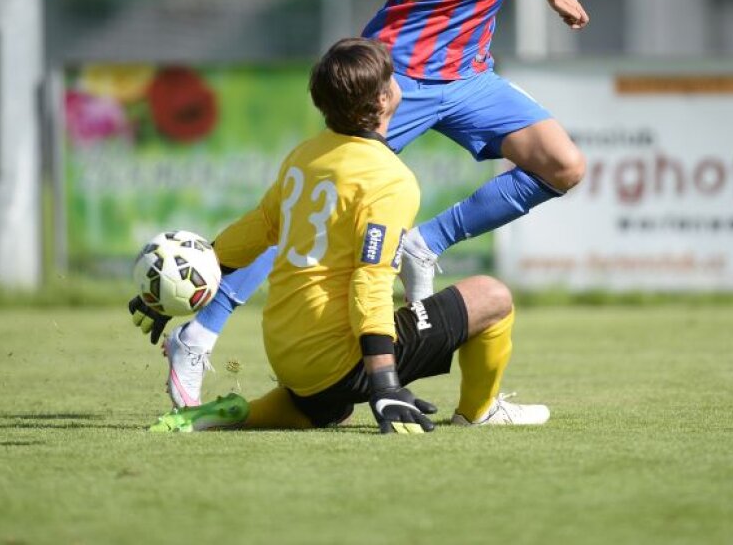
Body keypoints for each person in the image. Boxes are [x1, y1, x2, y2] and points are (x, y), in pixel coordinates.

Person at [130, 0, 586, 409]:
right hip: (397, 74)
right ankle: (198, 333)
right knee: (305, 212)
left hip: (469, 73)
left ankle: (427, 242)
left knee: (563, 164)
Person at [146, 38, 548, 433]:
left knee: (332, 407)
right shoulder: (390, 178)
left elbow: (257, 229)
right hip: (335, 361)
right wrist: (385, 384)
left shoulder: (305, 155)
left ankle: (242, 414)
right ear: (383, 100)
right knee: (492, 296)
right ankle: (479, 411)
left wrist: (179, 285)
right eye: (392, 76)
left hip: (286, 352)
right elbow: (370, 281)